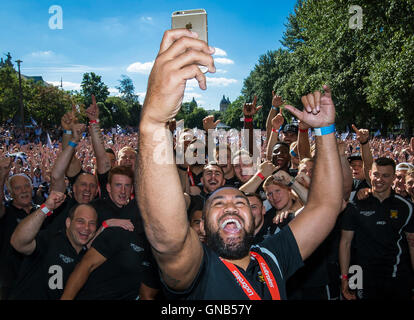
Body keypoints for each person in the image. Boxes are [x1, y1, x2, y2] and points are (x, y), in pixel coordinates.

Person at [136, 28, 342, 300]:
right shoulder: (196, 269)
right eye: (218, 204)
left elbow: (326, 206)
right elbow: (167, 239)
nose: (231, 205)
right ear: (202, 229)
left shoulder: (272, 258)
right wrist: (152, 123)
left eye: (241, 202)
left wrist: (325, 131)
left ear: (256, 220)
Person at [339, 157, 414, 300]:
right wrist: (344, 277)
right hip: (359, 275)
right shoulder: (355, 205)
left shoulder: (406, 207)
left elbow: (412, 245)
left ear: (393, 178)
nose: (379, 179)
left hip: (396, 276)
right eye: (376, 174)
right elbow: (345, 243)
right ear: (369, 173)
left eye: (385, 176)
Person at [9, 191, 98, 299]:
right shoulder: (50, 240)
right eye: (80, 221)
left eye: (92, 223)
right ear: (68, 223)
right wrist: (46, 208)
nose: (86, 227)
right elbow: (18, 242)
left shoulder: (90, 257)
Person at [0, 173, 39, 299]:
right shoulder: (6, 211)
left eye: (27, 186)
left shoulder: (41, 212)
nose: (23, 190)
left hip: (39, 280)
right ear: (10, 193)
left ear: (32, 187)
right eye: (17, 188)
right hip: (13, 282)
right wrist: (2, 177)